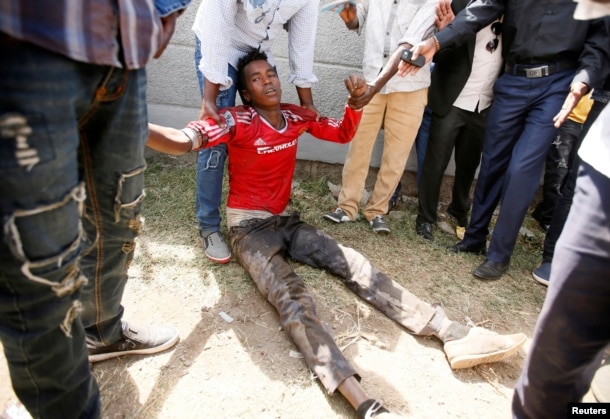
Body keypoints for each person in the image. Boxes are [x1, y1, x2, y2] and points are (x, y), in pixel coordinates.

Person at [148, 49, 527, 419]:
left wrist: (355, 101)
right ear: (246, 93)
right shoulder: (236, 119)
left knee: (354, 263)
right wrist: (129, 122)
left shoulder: (296, 116)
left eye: (272, 74)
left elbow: (343, 133)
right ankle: (365, 404)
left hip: (286, 220)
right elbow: (181, 141)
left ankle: (450, 331)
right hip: (249, 230)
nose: (268, 82)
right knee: (293, 298)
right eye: (257, 79)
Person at [0, 1, 187, 417]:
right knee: (40, 266)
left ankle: (101, 332)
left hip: (123, 55)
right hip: (24, 46)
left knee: (119, 216)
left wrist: (167, 9)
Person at [398, 0, 609, 280]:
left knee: (521, 169)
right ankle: (474, 238)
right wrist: (437, 42)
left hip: (557, 85)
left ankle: (499, 254)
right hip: (512, 79)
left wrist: (583, 80)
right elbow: (479, 10)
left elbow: (599, 41)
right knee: (492, 162)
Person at [191, 0, 320, 264]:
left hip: (258, 52)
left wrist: (306, 103)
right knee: (215, 141)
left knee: (265, 130)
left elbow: (302, 41)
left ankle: (260, 211)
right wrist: (210, 98)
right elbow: (218, 22)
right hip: (222, 47)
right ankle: (209, 225)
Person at [322, 0, 438, 234]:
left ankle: (377, 211)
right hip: (372, 76)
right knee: (359, 145)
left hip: (410, 86)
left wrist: (373, 87)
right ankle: (346, 207)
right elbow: (356, 21)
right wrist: (346, 10)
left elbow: (410, 45)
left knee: (397, 153)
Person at [415, 0, 503, 242]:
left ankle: (459, 210)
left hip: (485, 103)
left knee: (468, 164)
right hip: (452, 99)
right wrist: (444, 33)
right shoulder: (461, 7)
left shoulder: (514, 19)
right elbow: (438, 58)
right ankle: (425, 217)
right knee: (436, 162)